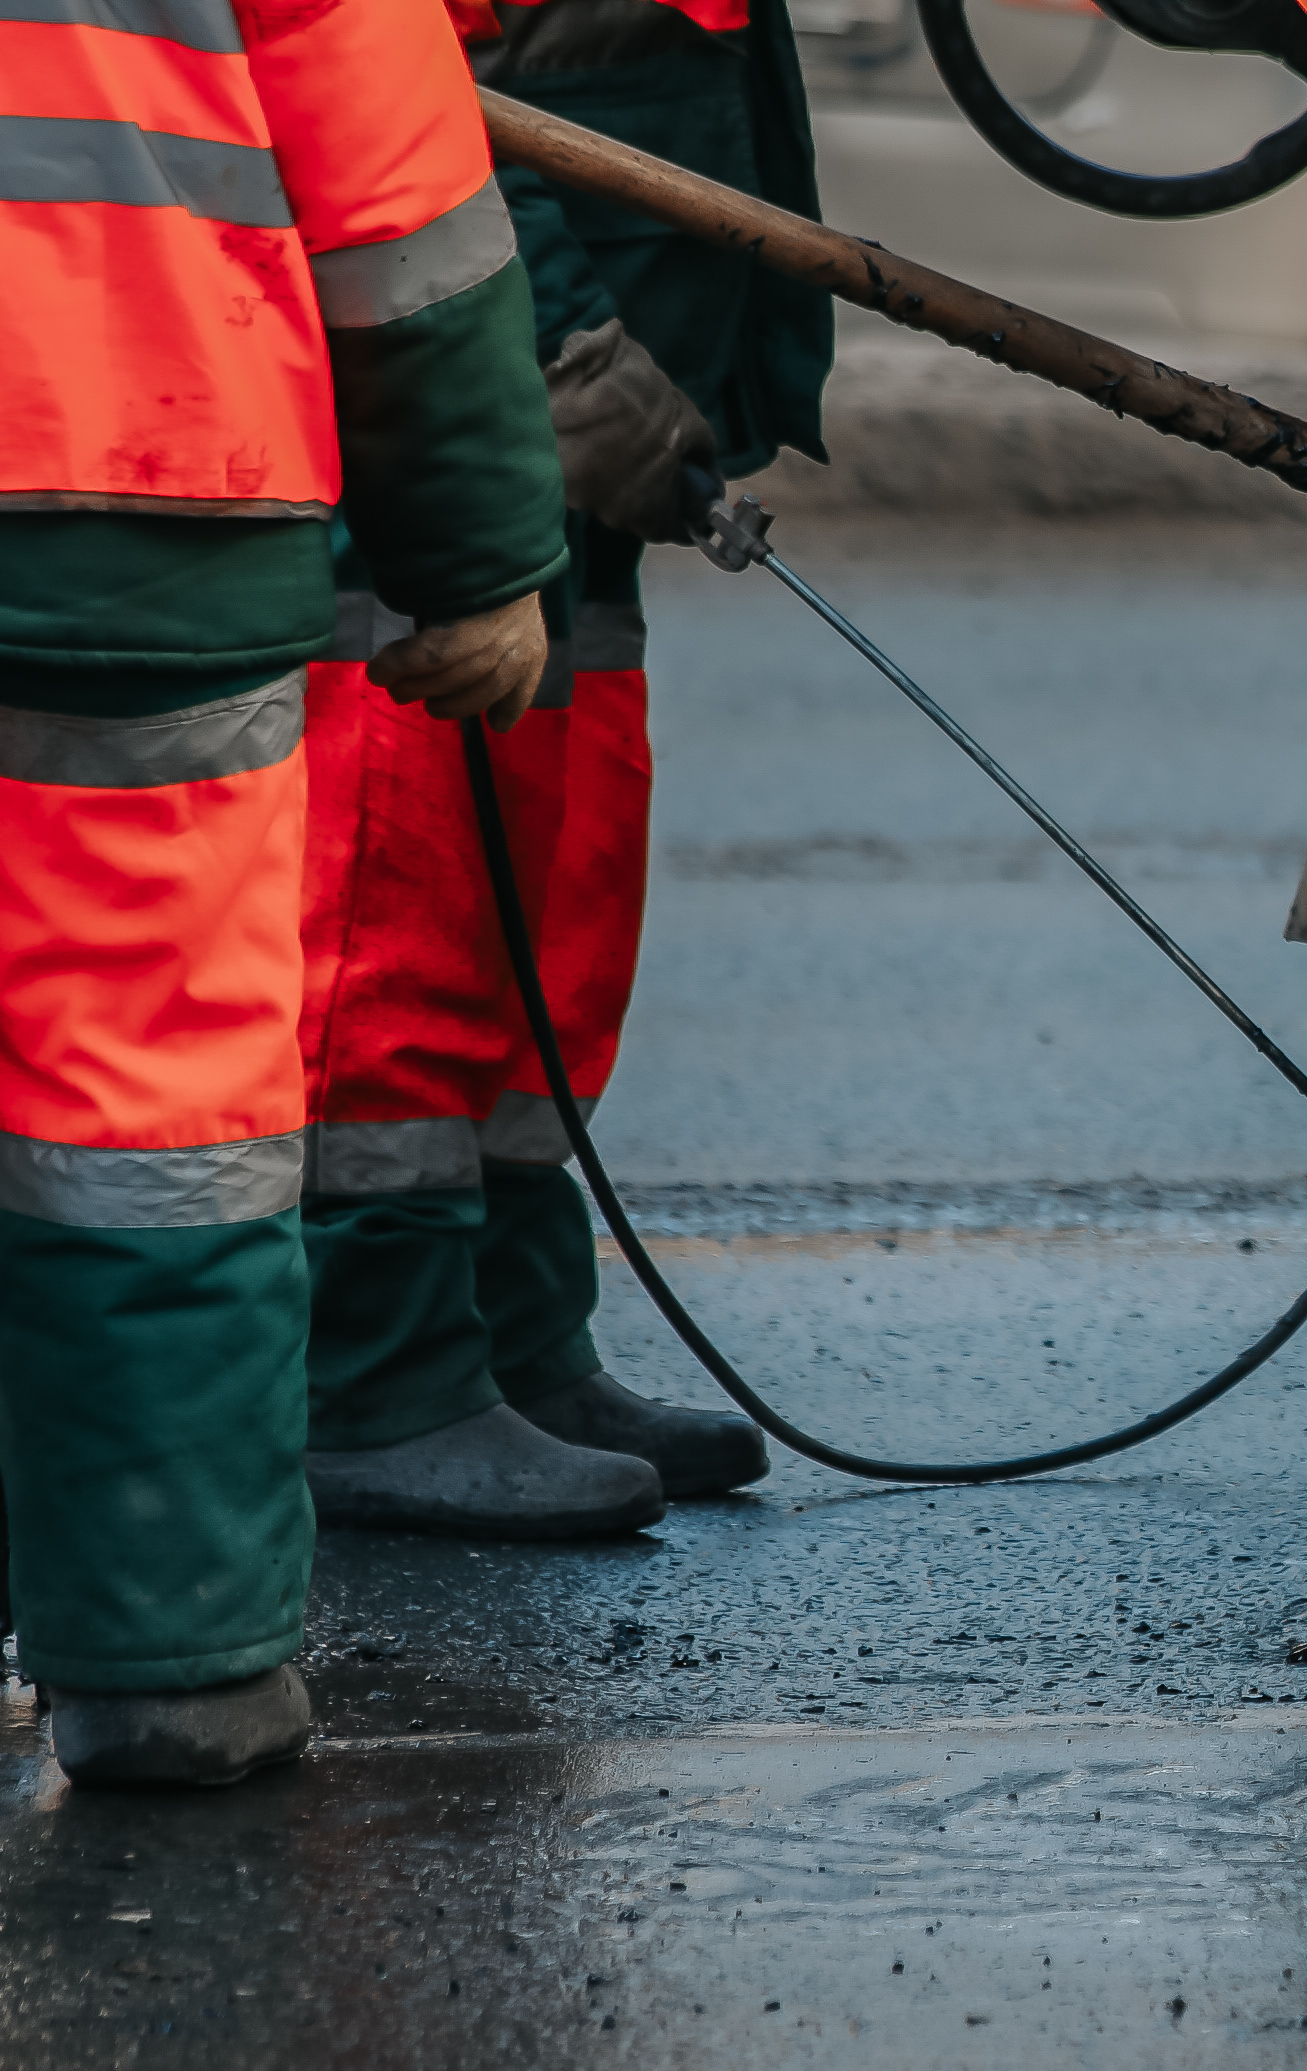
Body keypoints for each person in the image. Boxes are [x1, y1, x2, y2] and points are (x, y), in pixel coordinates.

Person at [0, 0, 568, 1781]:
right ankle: (172, 1663)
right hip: (145, 499)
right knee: (143, 1129)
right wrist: (474, 554)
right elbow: (398, 199)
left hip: (152, 503)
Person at [291, 0, 833, 1536]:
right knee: (407, 882)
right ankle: (372, 1378)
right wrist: (556, 352)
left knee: (551, 901)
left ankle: (514, 1336)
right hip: (455, 408)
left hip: (598, 415)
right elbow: (394, 98)